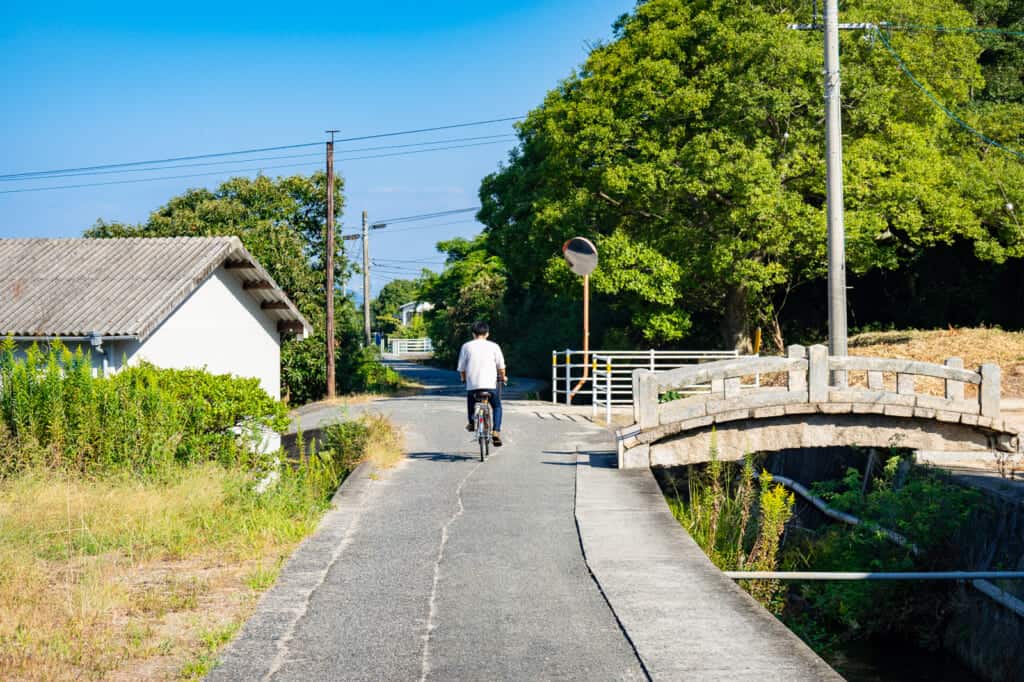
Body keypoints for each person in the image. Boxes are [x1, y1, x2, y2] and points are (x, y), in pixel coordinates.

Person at [457, 321, 507, 446]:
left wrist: (463, 379)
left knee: (471, 401)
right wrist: (503, 377)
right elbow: (501, 367)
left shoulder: (466, 346)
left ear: (473, 334)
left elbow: (461, 368)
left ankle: (472, 423)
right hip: (490, 385)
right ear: (487, 334)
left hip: (473, 385)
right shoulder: (494, 346)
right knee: (496, 406)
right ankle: (496, 431)